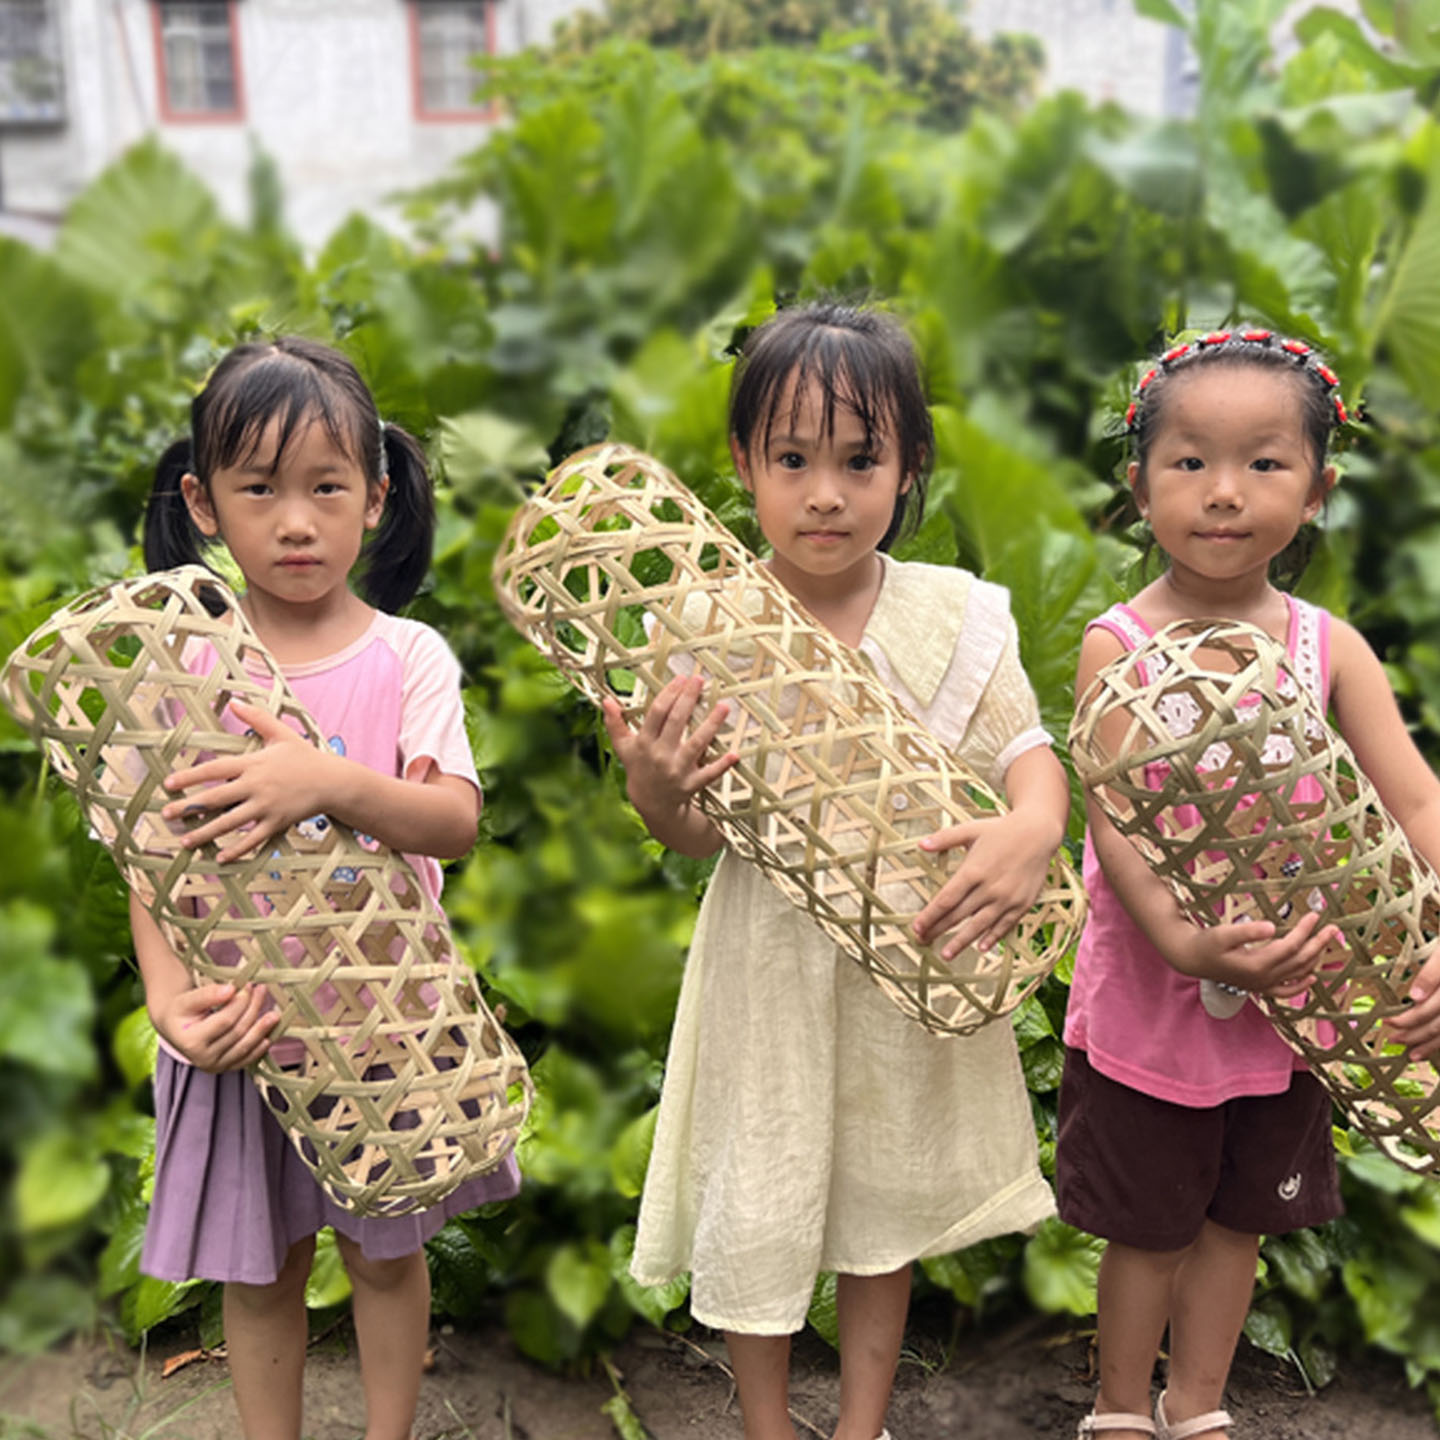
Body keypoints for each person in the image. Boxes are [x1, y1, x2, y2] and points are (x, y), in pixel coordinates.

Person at [603, 301, 1071, 1440]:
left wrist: (1032, 831)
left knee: (884, 1199)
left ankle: (861, 1426)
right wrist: (657, 783)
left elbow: (1030, 760)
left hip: (907, 955)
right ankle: (768, 1426)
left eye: (861, 459)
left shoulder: (952, 619)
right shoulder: (708, 623)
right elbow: (692, 832)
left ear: (908, 465)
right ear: (743, 466)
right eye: (794, 459)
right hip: (767, 959)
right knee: (758, 1192)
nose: (827, 492)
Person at [133, 336, 518, 1440]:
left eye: (326, 488)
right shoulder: (187, 666)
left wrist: (327, 781)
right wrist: (169, 1005)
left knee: (387, 1258)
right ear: (206, 504)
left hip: (384, 1025)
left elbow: (453, 819)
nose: (295, 521)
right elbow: (154, 864)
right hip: (243, 1029)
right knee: (261, 1280)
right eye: (261, 489)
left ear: (376, 498)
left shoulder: (408, 658)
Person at [1059, 330, 1440, 1440]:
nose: (1224, 493)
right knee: (1149, 1229)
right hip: (1154, 1003)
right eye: (1189, 463)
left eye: (1265, 464)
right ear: (1138, 488)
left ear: (1317, 490)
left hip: (1291, 1004)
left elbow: (1414, 802)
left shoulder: (1330, 650)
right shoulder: (1117, 645)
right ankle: (1124, 1406)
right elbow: (1113, 816)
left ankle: (1201, 1404)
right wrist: (1183, 943)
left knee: (1238, 1223)